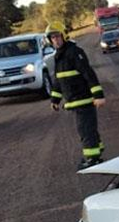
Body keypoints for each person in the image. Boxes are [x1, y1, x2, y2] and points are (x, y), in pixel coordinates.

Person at [45, 22, 107, 170]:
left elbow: (88, 74)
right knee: (87, 128)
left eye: (57, 36)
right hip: (75, 101)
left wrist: (98, 95)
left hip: (84, 100)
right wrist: (55, 99)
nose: (55, 40)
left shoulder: (74, 52)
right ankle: (96, 151)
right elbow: (59, 80)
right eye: (52, 38)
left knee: (85, 130)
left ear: (64, 36)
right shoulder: (59, 56)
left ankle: (92, 159)